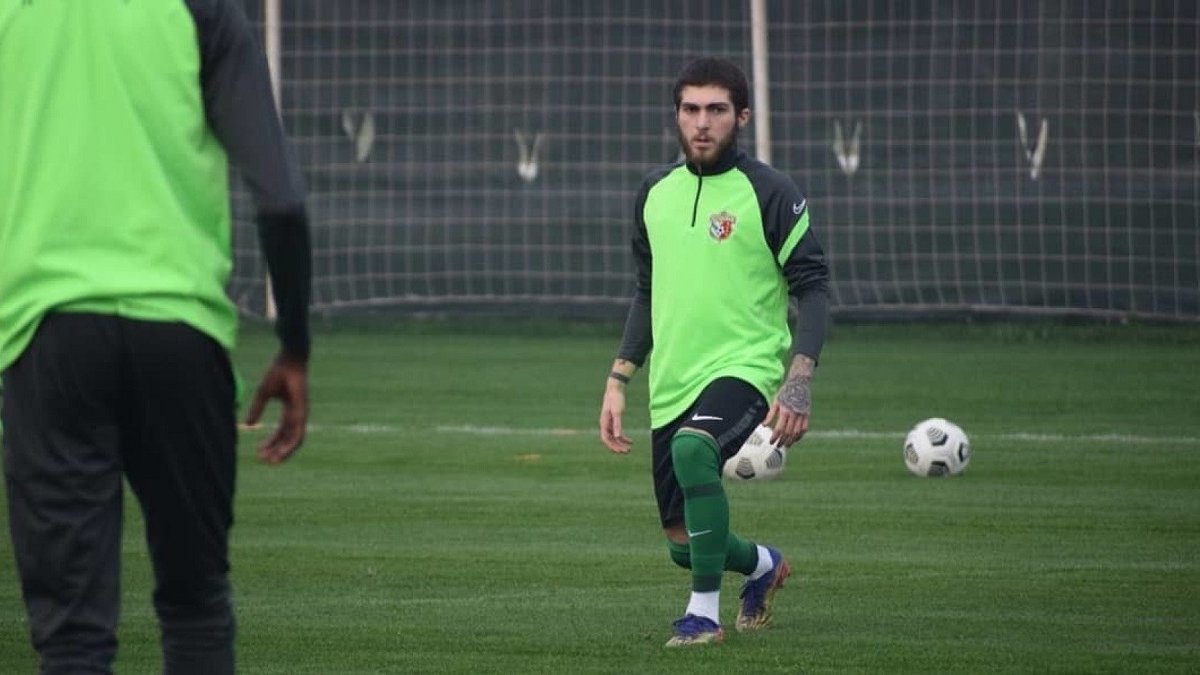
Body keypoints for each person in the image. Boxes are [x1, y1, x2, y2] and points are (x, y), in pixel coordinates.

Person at [0, 1, 312, 672]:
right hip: (181, 333)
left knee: (72, 640)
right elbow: (282, 199)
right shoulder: (204, 9)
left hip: (45, 334)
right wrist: (294, 348)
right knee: (196, 605)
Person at [598, 56, 830, 647]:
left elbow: (813, 287)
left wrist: (798, 381)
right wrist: (620, 377)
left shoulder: (771, 192)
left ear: (741, 117)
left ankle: (703, 616)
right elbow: (648, 291)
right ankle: (762, 565)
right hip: (672, 380)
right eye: (691, 109)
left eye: (717, 110)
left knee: (694, 447)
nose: (702, 123)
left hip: (744, 368)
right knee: (685, 545)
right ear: (677, 115)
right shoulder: (654, 193)